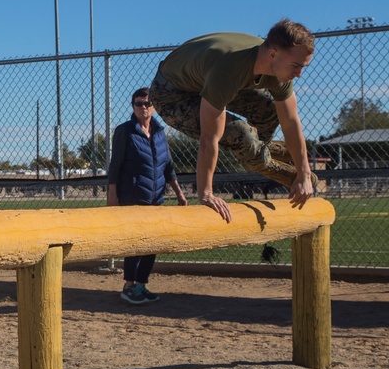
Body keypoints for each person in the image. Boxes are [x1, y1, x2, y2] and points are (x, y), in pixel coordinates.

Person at [150, 19, 316, 223]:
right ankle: (255, 154)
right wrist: (206, 194)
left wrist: (305, 175)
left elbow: (291, 123)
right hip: (171, 93)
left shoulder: (277, 69)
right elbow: (210, 137)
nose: (299, 74)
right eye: (297, 66)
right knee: (239, 133)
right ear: (273, 54)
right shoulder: (229, 70)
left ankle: (255, 151)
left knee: (269, 109)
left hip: (204, 78)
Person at [107, 88, 188, 304]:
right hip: (133, 197)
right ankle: (128, 286)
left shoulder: (160, 132)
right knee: (136, 243)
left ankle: (141, 285)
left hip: (156, 198)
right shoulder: (125, 131)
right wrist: (112, 196)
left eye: (147, 103)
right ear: (133, 106)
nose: (143, 107)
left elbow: (168, 165)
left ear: (154, 106)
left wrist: (179, 193)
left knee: (153, 243)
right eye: (139, 103)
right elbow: (115, 166)